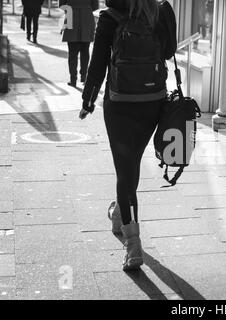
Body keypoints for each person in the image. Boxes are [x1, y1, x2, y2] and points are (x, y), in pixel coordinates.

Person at [79, 0, 177, 271]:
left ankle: (133, 246)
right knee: (131, 164)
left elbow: (98, 63)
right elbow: (169, 52)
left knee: (125, 170)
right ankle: (121, 213)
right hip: (152, 102)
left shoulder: (109, 17)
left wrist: (88, 100)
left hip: (120, 103)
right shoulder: (161, 10)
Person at [60, 0, 99, 87]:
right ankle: (84, 77)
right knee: (85, 50)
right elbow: (95, 6)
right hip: (86, 17)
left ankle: (73, 79)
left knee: (72, 52)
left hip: (71, 16)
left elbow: (61, 4)